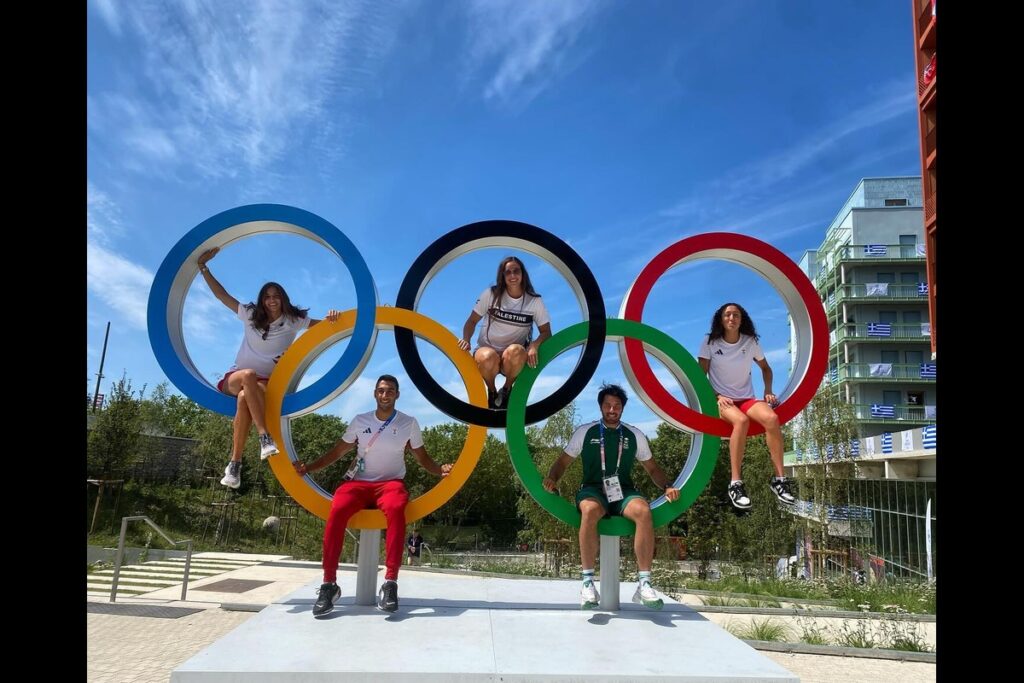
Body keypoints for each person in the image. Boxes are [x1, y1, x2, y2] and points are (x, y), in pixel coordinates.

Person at [293, 375, 452, 616]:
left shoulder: (409, 423)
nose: (385, 395)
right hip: (358, 484)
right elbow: (337, 451)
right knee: (336, 509)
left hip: (390, 484)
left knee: (397, 509)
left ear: (397, 394)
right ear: (374, 394)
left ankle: (390, 583)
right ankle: (328, 584)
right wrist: (310, 468)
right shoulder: (360, 421)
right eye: (380, 390)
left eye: (390, 391)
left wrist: (440, 469)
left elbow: (422, 457)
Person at [196, 247, 339, 489]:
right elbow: (223, 296)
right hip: (235, 376)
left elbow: (327, 326)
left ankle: (234, 465)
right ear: (262, 300)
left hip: (263, 384)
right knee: (247, 378)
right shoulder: (251, 314)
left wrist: (340, 315)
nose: (272, 300)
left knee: (245, 398)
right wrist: (203, 268)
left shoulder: (294, 320)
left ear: (282, 298)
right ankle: (264, 436)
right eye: (267, 296)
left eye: (276, 296)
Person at [542, 383, 679, 610]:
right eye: (608, 405)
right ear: (600, 407)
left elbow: (653, 469)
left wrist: (667, 485)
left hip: (622, 490)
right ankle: (587, 582)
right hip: (593, 489)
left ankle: (644, 583)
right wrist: (552, 478)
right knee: (589, 510)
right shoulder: (586, 432)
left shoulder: (634, 434)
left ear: (623, 408)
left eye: (617, 406)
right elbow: (562, 462)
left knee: (643, 511)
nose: (612, 410)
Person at [697, 302, 796, 510]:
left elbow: (766, 368)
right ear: (721, 319)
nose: (732, 318)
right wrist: (716, 396)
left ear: (742, 320)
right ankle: (735, 483)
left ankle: (780, 480)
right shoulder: (709, 342)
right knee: (740, 422)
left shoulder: (750, 342)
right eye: (727, 315)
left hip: (746, 399)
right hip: (721, 400)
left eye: (736, 315)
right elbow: (700, 376)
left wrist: (768, 390)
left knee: (772, 418)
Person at [456, 256, 552, 409]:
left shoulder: (534, 301)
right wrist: (466, 339)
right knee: (488, 357)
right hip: (487, 352)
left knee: (517, 351)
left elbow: (546, 332)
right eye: (508, 272)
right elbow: (471, 321)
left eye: (516, 271)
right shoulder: (491, 294)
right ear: (503, 276)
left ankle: (506, 390)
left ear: (523, 274)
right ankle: (492, 392)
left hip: (512, 358)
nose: (512, 276)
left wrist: (534, 344)